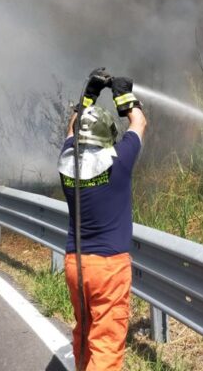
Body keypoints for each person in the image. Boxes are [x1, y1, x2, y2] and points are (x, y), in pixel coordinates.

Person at [57, 71, 146, 371]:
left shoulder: (67, 162)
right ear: (107, 137)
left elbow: (71, 129)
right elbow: (139, 122)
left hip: (76, 264)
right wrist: (124, 97)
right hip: (109, 269)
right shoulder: (118, 163)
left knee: (85, 333)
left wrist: (89, 95)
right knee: (106, 345)